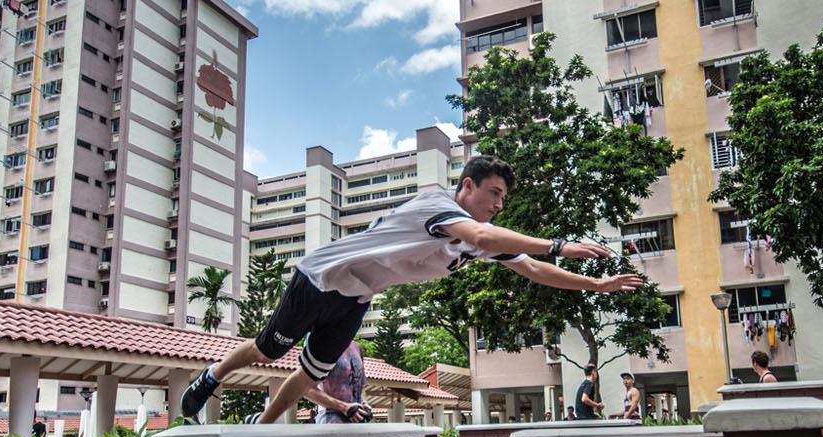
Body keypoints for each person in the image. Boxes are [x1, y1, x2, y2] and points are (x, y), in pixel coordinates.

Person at [181, 156, 642, 423]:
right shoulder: (437, 205)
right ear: (467, 186)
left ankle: (263, 430)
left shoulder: (479, 235)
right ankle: (210, 377)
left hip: (356, 298)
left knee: (311, 371)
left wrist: (596, 284)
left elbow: (533, 270)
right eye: (494, 193)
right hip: (321, 276)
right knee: (266, 350)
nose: (499, 204)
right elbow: (485, 239)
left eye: (504, 198)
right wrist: (559, 244)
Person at [309, 340, 373, 424]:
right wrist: (343, 407)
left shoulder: (357, 347)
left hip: (358, 423)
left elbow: (358, 387)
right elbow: (307, 390)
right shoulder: (319, 342)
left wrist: (364, 404)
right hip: (331, 423)